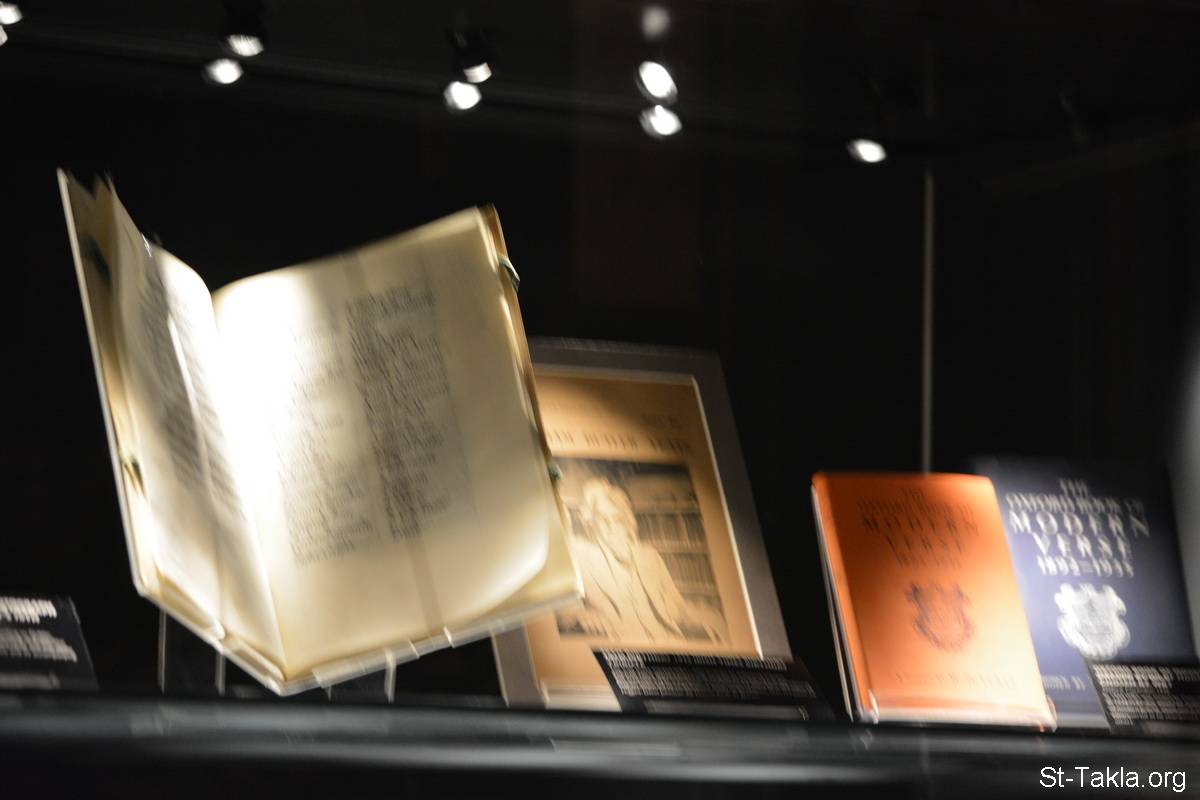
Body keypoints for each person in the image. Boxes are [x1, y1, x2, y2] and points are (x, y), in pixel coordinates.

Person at [556, 478, 728, 645]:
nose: (611, 526)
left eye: (617, 519)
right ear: (591, 523)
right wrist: (581, 616)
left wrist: (707, 623)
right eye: (602, 519)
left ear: (626, 521)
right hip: (625, 648)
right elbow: (563, 614)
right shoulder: (579, 557)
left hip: (670, 642)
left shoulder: (650, 557)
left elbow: (679, 611)